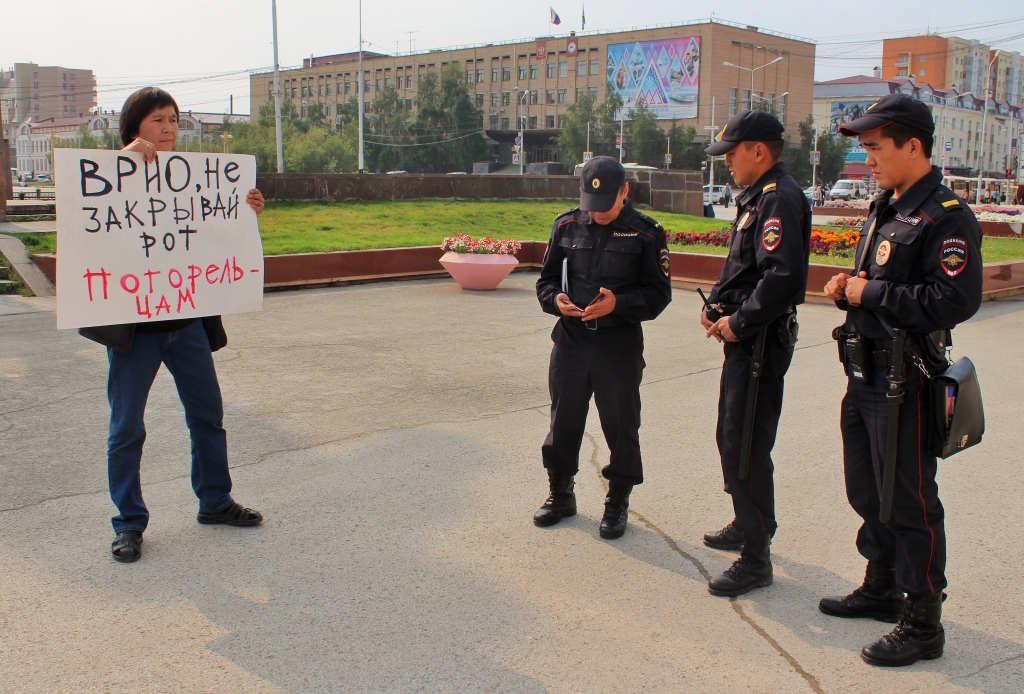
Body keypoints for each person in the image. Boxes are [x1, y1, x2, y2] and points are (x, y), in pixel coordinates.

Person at [822, 94, 982, 666]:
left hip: (905, 381)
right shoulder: (886, 207)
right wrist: (850, 284)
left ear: (912, 145)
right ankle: (882, 583)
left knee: (910, 501)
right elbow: (876, 277)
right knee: (867, 490)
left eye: (874, 148)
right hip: (863, 373)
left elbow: (955, 299)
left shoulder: (946, 215)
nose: (868, 160)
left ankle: (922, 622)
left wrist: (872, 292)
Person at [78, 87, 267, 563]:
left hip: (187, 327)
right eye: (158, 120)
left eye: (173, 120)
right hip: (136, 334)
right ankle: (129, 524)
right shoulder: (107, 177)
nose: (167, 128)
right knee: (126, 430)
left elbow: (213, 239)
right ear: (134, 128)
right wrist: (121, 164)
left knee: (208, 416)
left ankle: (216, 502)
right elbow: (87, 227)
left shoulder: (194, 182)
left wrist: (245, 212)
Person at [700, 110, 810, 597]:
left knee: (744, 442)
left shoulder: (779, 199)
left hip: (759, 341)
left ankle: (756, 555)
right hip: (746, 340)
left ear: (759, 151)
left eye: (731, 153)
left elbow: (781, 277)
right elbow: (745, 270)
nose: (726, 163)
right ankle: (748, 522)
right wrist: (716, 306)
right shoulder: (757, 200)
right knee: (732, 434)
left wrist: (739, 322)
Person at [534, 156, 672, 539]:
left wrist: (619, 305)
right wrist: (556, 301)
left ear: (625, 192)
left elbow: (659, 295)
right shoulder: (566, 225)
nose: (597, 214)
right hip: (571, 342)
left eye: (606, 205)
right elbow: (545, 283)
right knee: (562, 423)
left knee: (620, 427)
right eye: (590, 206)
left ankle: (617, 502)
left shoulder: (646, 233)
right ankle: (560, 495)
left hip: (618, 345)